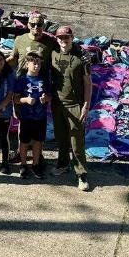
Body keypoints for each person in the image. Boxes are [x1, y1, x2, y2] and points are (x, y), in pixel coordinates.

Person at [50, 26, 92, 191]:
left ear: (72, 37)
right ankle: (63, 163)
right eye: (60, 38)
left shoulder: (81, 56)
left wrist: (86, 105)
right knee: (61, 138)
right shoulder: (53, 53)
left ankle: (81, 173)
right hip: (57, 103)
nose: (63, 40)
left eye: (66, 37)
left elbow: (88, 82)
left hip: (75, 104)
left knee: (76, 140)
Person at [13, 48, 51, 179]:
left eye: (39, 63)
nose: (37, 66)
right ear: (27, 64)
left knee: (38, 141)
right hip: (26, 117)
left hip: (40, 117)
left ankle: (35, 164)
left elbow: (50, 97)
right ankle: (23, 164)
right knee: (24, 141)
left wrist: (45, 98)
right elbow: (16, 99)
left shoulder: (44, 80)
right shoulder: (22, 80)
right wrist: (25, 100)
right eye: (34, 63)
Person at [9, 11, 58, 76]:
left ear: (43, 26)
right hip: (22, 80)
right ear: (28, 25)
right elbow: (12, 58)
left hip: (41, 81)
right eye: (33, 24)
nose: (36, 27)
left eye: (39, 25)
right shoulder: (19, 39)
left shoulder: (50, 41)